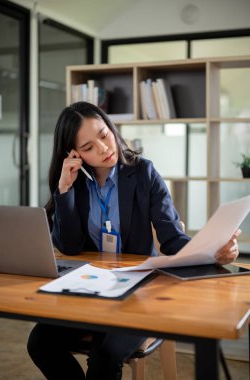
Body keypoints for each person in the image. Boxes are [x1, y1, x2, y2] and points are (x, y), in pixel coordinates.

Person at [27, 101, 240, 380]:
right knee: (40, 344)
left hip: (140, 293)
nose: (103, 149)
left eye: (104, 135)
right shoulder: (73, 182)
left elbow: (172, 239)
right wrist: (64, 191)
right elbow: (69, 247)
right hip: (91, 289)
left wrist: (215, 252)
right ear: (74, 153)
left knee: (106, 354)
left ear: (112, 129)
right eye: (89, 147)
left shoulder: (143, 174)